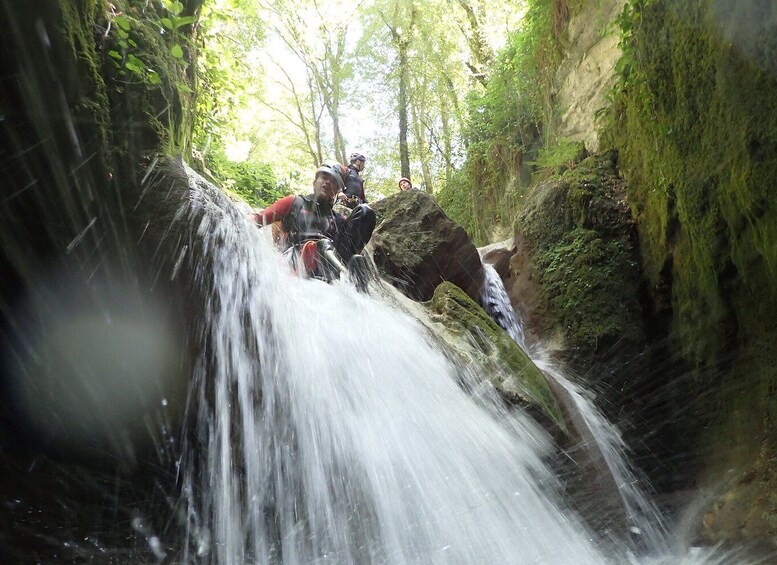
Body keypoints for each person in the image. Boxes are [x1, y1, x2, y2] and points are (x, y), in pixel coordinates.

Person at [249, 161, 376, 284]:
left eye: (333, 181)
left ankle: (350, 278)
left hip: (329, 267)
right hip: (295, 260)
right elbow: (259, 218)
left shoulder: (337, 220)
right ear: (314, 182)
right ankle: (346, 275)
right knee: (322, 245)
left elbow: (350, 240)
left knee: (365, 212)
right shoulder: (294, 203)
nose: (327, 183)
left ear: (337, 191)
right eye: (324, 178)